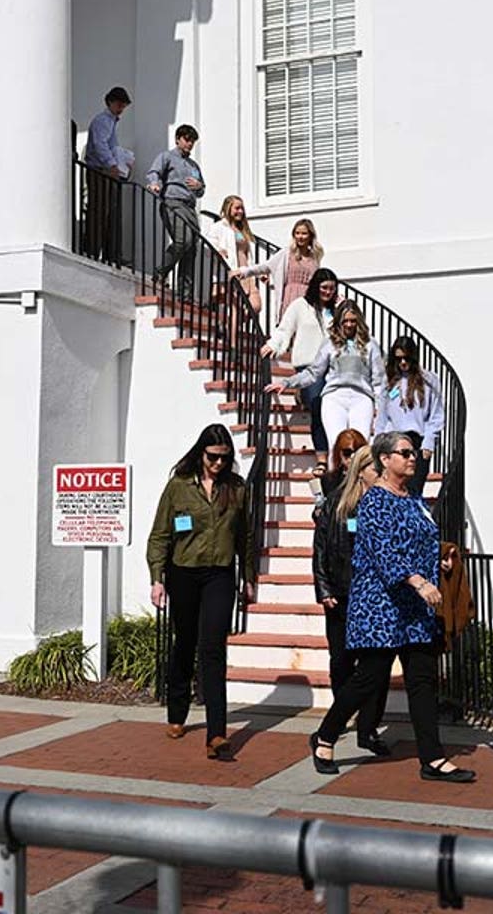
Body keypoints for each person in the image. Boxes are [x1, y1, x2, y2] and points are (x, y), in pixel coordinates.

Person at [309, 432, 475, 783]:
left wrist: (438, 562)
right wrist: (419, 581)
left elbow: (422, 541)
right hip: (380, 606)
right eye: (404, 453)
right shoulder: (374, 502)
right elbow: (385, 554)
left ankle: (433, 758)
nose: (412, 458)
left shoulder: (414, 499)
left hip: (415, 609)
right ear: (385, 460)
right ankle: (325, 737)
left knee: (423, 681)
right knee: (367, 680)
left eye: (413, 452)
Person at [146, 424, 257, 760]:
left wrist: (248, 576)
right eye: (212, 457)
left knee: (213, 648)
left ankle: (216, 733)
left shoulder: (237, 489)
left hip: (220, 574)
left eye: (224, 458)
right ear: (201, 453)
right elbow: (160, 535)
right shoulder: (178, 487)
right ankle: (177, 712)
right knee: (185, 644)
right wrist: (156, 577)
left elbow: (246, 537)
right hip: (183, 573)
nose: (218, 464)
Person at [311, 432, 390, 756]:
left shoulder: (386, 503)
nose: (382, 477)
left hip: (373, 596)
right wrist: (324, 588)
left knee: (377, 667)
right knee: (342, 661)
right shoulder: (336, 502)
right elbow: (320, 549)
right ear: (362, 471)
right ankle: (340, 716)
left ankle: (368, 728)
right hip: (341, 594)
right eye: (376, 470)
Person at [267, 300, 383, 448]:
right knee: (335, 445)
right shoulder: (330, 342)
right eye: (345, 321)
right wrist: (286, 383)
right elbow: (313, 372)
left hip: (362, 397)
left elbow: (378, 379)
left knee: (361, 445)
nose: (349, 325)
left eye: (353, 321)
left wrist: (380, 405)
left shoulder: (370, 343)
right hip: (334, 397)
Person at [263, 268, 341, 464]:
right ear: (316, 287)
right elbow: (284, 329)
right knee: (319, 406)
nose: (328, 292)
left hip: (333, 367)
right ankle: (323, 457)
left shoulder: (337, 310)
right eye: (324, 287)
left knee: (333, 409)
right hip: (308, 365)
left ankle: (337, 453)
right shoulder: (300, 306)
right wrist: (273, 345)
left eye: (332, 288)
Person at [376, 336, 442, 494]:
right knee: (393, 489)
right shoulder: (389, 381)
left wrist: (429, 441)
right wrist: (378, 442)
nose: (403, 363)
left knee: (413, 490)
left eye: (407, 358)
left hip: (417, 441)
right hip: (394, 440)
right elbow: (383, 416)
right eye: (399, 359)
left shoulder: (429, 380)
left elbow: (436, 414)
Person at [145, 125, 207, 293]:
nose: (189, 144)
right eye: (187, 140)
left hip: (190, 207)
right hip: (173, 203)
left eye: (192, 141)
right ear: (178, 139)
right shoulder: (167, 156)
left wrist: (199, 186)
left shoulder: (194, 165)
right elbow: (154, 172)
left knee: (191, 248)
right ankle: (160, 273)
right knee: (183, 241)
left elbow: (201, 191)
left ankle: (184, 294)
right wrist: (155, 184)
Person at [82, 87, 134, 262]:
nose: (121, 108)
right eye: (119, 104)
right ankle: (93, 251)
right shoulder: (103, 121)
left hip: (104, 171)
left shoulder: (109, 122)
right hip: (99, 171)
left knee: (108, 213)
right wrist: (112, 165)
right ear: (110, 102)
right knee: (99, 213)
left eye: (123, 105)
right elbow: (100, 145)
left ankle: (109, 254)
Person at [234, 218, 323, 313]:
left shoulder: (314, 257)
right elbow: (266, 266)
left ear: (310, 236)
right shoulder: (286, 253)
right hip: (290, 298)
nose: (300, 237)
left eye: (304, 233)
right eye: (297, 233)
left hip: (308, 300)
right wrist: (244, 271)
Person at [203, 196, 263, 314]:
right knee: (235, 310)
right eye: (237, 208)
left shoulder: (242, 230)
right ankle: (232, 332)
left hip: (247, 273)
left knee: (255, 306)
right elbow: (207, 245)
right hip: (233, 272)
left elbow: (247, 255)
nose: (240, 211)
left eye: (242, 208)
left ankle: (232, 328)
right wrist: (218, 250)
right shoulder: (219, 227)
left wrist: (258, 273)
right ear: (228, 208)